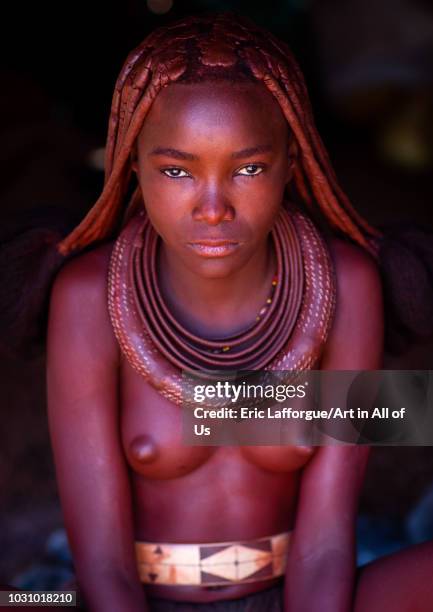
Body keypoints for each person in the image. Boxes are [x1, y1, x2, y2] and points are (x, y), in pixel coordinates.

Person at [46, 12, 385, 612]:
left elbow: (328, 544)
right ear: (131, 165)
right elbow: (101, 566)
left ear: (291, 162)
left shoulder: (347, 285)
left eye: (248, 168)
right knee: (22, 603)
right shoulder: (86, 298)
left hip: (297, 594)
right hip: (122, 600)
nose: (212, 208)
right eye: (176, 170)